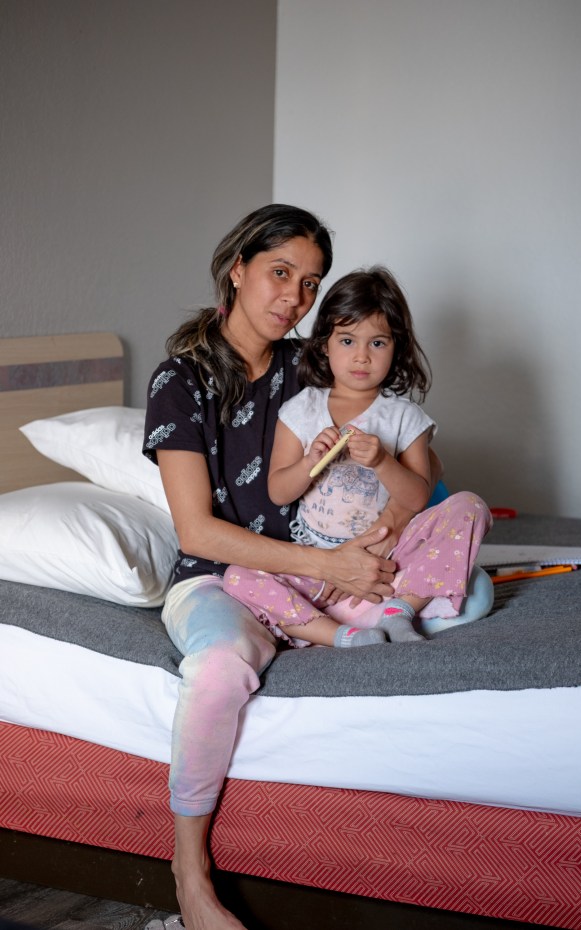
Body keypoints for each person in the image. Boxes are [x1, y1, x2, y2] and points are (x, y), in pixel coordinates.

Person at [143, 205, 438, 930]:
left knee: (463, 589)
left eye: (310, 285)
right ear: (237, 268)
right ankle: (190, 876)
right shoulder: (180, 381)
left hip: (329, 568)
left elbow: (411, 475)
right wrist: (328, 564)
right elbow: (196, 528)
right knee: (219, 666)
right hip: (218, 578)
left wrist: (377, 542)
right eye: (281, 274)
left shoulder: (311, 366)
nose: (295, 299)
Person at [223, 267, 493, 648]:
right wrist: (307, 463)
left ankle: (401, 611)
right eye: (347, 341)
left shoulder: (404, 417)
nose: (362, 357)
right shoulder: (301, 412)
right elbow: (279, 492)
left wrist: (384, 461)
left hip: (390, 562)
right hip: (319, 564)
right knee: (237, 576)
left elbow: (417, 498)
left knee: (470, 506)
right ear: (323, 346)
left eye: (378, 343)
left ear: (396, 348)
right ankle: (343, 635)